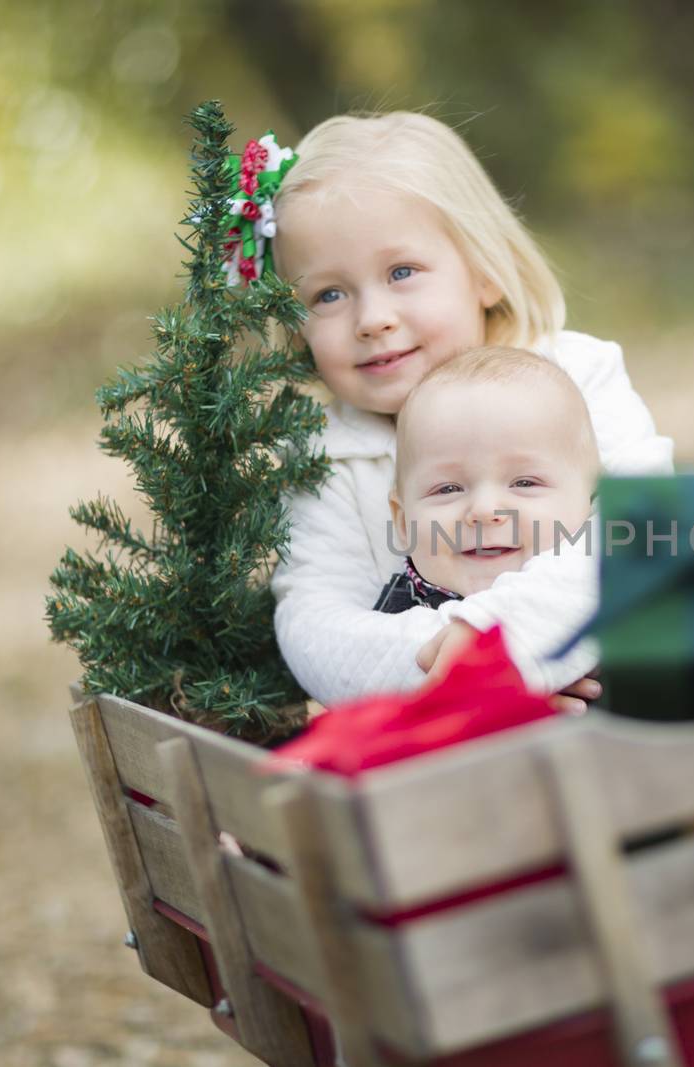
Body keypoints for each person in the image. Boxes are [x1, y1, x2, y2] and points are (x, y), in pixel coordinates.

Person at [268, 111, 673, 711]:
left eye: (401, 272)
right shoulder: (325, 458)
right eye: (328, 294)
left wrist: (498, 647)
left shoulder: (576, 376)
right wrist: (469, 686)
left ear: (483, 271)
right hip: (452, 757)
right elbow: (316, 627)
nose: (372, 318)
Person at [373, 346, 601, 618]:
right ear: (402, 522)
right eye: (448, 489)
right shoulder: (389, 629)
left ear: (590, 500)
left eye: (524, 483)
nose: (484, 510)